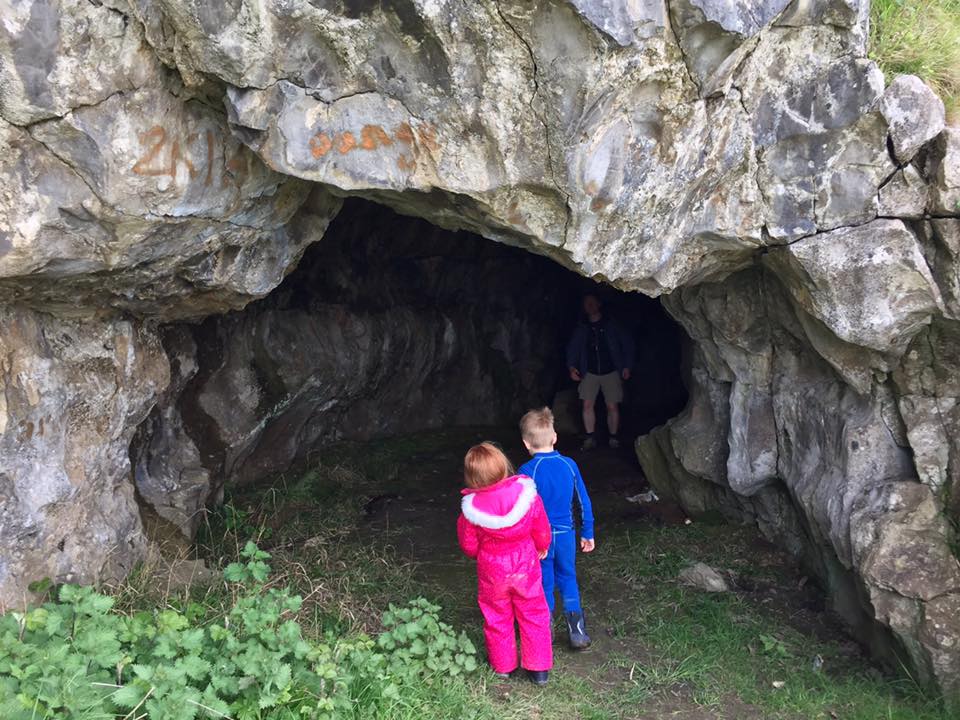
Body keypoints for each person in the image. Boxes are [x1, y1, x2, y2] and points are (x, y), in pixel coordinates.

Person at [457, 442, 554, 685]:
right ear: (503, 466)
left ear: (472, 477)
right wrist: (542, 545)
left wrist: (480, 555)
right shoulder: (527, 496)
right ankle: (539, 668)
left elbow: (468, 545)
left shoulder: (471, 510)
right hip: (525, 564)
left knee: (496, 614)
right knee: (533, 612)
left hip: (492, 569)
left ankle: (503, 666)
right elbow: (541, 527)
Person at [518, 408, 595, 649]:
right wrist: (588, 531)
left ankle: (545, 630)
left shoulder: (527, 471)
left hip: (539, 539)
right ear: (555, 437)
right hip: (566, 535)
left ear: (526, 443)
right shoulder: (569, 465)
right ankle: (577, 632)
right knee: (568, 577)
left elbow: (522, 510)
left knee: (544, 581)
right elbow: (583, 500)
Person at [566, 293, 635, 449]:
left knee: (612, 406)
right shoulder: (582, 328)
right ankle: (590, 437)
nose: (589, 305)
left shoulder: (611, 325)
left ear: (599, 304)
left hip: (611, 370)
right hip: (589, 372)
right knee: (587, 405)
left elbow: (627, 344)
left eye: (592, 302)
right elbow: (573, 348)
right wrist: (572, 367)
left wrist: (626, 366)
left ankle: (613, 438)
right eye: (586, 303)